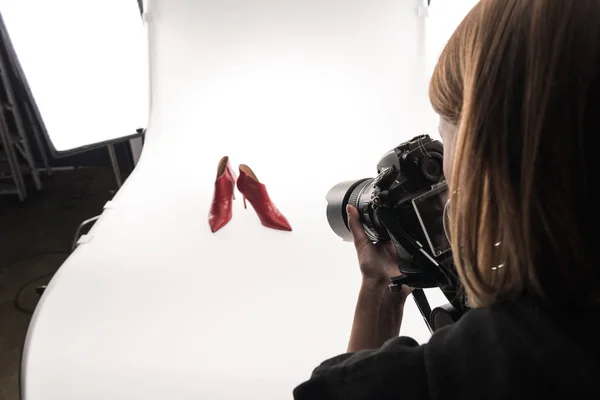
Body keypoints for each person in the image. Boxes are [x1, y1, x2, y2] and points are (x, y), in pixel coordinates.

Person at [293, 0, 600, 398]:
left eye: (446, 127)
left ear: (489, 149)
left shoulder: (462, 373)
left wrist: (376, 296)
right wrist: (384, 285)